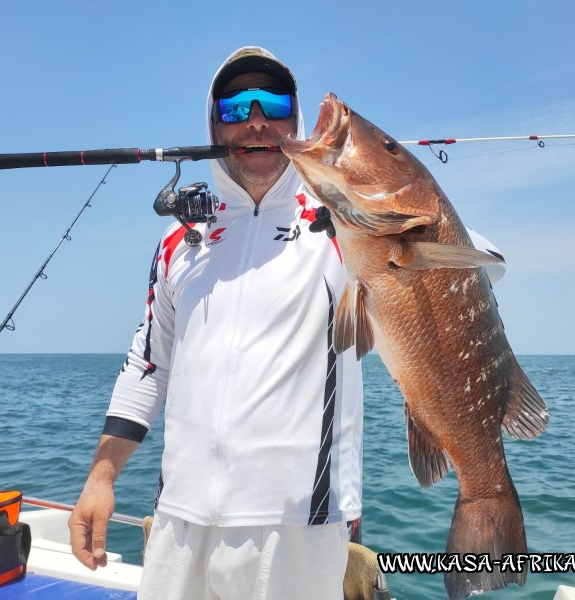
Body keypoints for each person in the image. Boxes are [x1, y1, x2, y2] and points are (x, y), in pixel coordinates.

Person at [69, 46, 365, 600]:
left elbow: (476, 266)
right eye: (235, 108)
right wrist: (102, 477)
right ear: (213, 123)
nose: (257, 120)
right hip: (179, 517)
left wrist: (372, 192)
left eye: (274, 104)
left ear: (295, 122)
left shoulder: (347, 222)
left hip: (299, 522)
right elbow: (147, 364)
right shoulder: (179, 239)